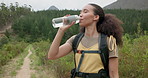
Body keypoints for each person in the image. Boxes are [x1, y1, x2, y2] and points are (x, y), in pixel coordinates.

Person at [48, 3, 124, 78]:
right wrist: (61, 30)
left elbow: (113, 74)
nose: (80, 15)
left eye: (85, 12)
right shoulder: (75, 39)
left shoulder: (109, 41)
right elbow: (52, 55)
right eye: (80, 12)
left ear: (96, 17)